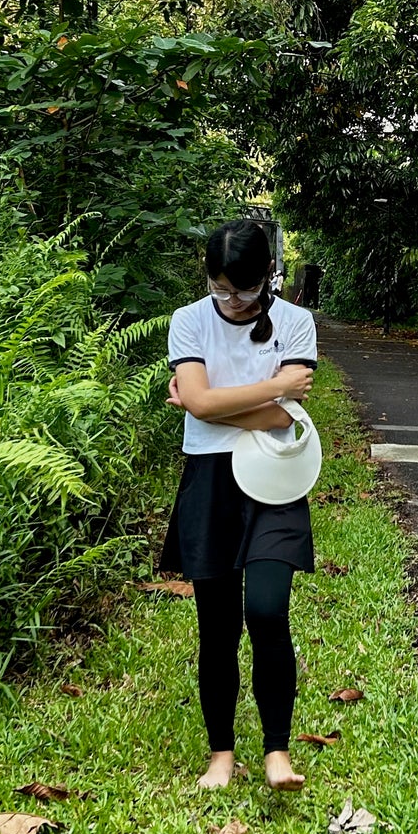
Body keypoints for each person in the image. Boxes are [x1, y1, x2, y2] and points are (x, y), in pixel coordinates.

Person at [163, 220, 318, 790]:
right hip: (210, 483)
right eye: (220, 288)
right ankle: (221, 754)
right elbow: (274, 401)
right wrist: (267, 391)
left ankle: (278, 751)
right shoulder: (189, 319)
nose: (231, 301)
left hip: (277, 480)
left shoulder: (297, 324)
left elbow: (284, 416)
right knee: (218, 626)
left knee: (269, 612)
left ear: (267, 279)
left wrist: (204, 406)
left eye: (245, 291)